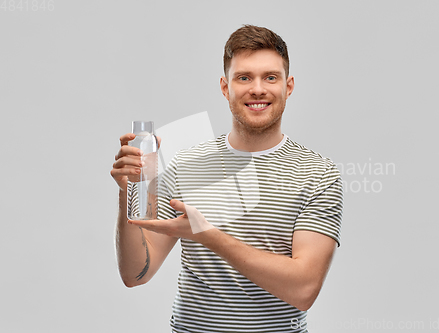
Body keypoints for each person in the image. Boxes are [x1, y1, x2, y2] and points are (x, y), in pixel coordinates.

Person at [111, 25, 343, 333]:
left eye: (270, 77)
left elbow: (303, 290)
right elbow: (135, 274)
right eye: (244, 77)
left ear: (288, 86)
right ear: (225, 87)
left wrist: (208, 235)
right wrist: (130, 194)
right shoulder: (185, 163)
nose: (257, 89)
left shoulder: (318, 174)